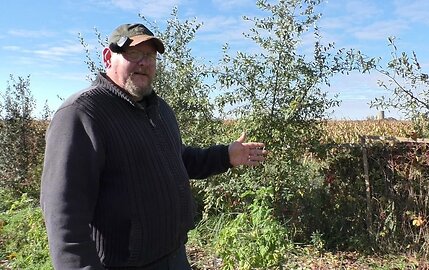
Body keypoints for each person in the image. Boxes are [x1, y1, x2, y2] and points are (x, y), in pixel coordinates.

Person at [40, 23, 267, 270]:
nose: (144, 62)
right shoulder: (82, 113)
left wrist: (225, 156)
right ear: (108, 57)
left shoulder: (159, 110)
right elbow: (64, 214)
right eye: (134, 54)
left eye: (150, 56)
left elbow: (178, 158)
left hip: (175, 256)